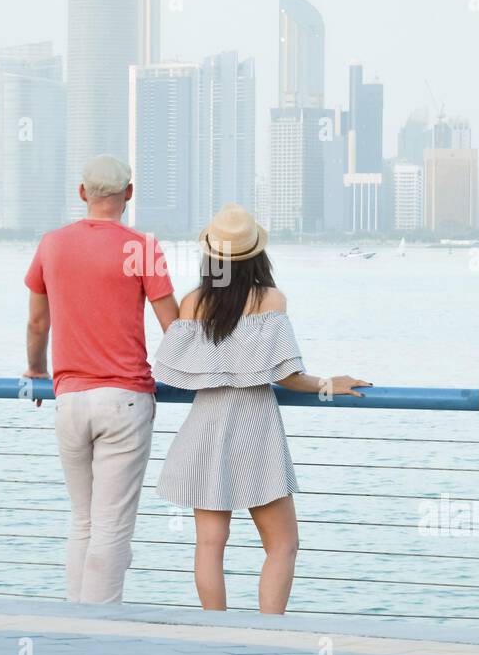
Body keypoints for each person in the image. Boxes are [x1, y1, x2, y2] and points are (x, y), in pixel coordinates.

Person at [153, 203, 370, 614]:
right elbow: (286, 375)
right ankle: (269, 632)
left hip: (205, 426)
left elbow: (177, 372)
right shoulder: (271, 299)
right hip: (255, 427)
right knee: (283, 544)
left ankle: (215, 632)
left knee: (209, 545)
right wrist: (330, 384)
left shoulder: (192, 302)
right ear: (257, 255)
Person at [23, 154, 178, 603]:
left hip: (68, 398)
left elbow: (37, 324)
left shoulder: (51, 244)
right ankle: (99, 628)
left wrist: (36, 369)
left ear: (82, 194)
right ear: (128, 194)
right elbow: (173, 325)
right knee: (111, 525)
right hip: (125, 398)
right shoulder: (142, 247)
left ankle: (76, 619)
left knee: (84, 521)